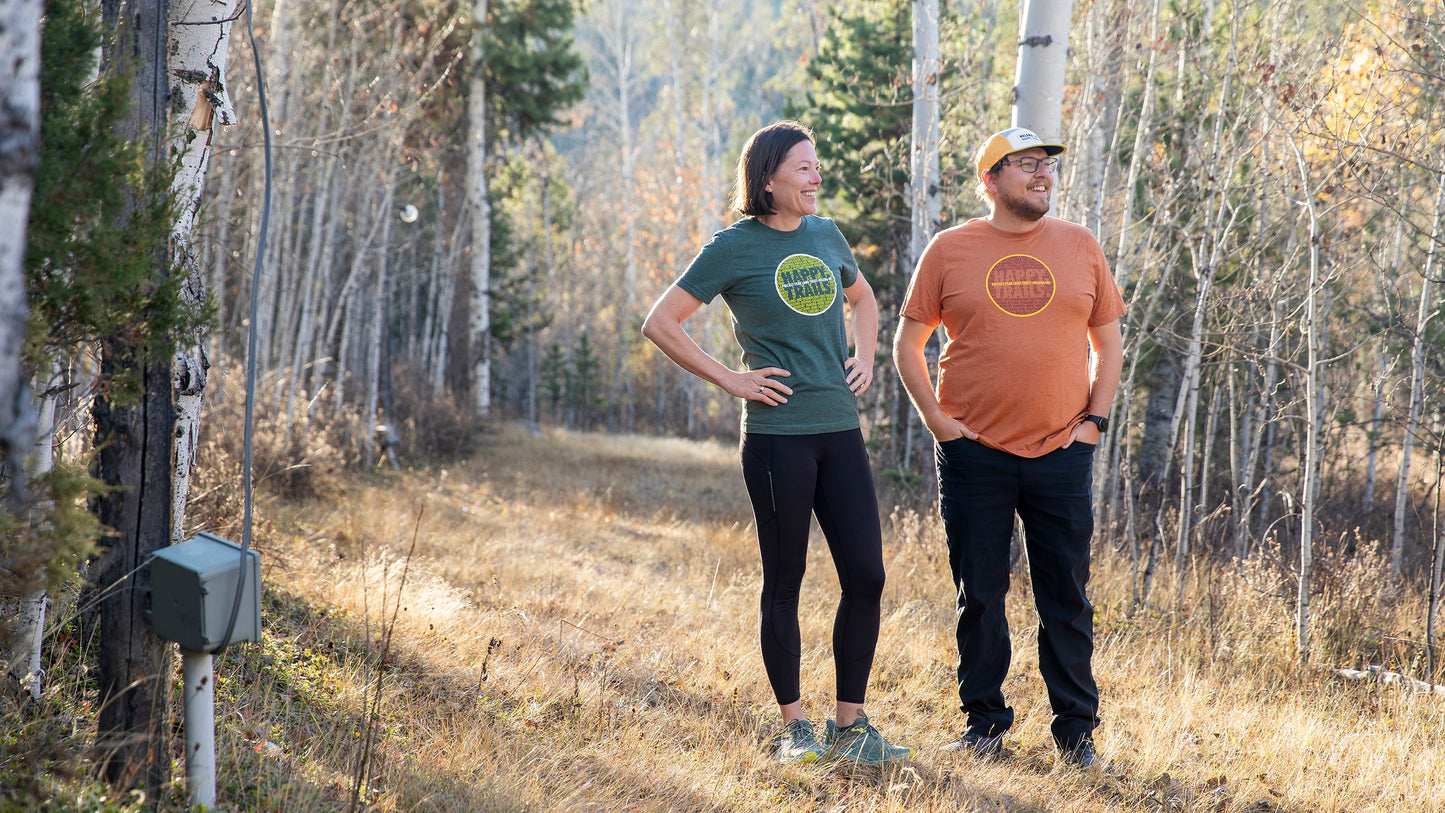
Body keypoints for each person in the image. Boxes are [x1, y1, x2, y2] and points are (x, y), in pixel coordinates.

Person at [642, 120, 912, 766]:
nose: (816, 176)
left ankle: (850, 726)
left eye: (815, 166)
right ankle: (794, 727)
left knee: (866, 576)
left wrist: (865, 355)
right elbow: (661, 321)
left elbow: (865, 299)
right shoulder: (734, 247)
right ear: (767, 181)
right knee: (784, 579)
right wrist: (731, 378)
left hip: (838, 428)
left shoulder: (824, 234)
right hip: (776, 439)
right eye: (802, 168)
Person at [892, 127, 1125, 768]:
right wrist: (942, 425)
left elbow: (1108, 344)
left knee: (1067, 597)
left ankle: (1076, 733)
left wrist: (1093, 424)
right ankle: (985, 727)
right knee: (981, 597)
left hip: (1061, 450)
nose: (1042, 174)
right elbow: (906, 348)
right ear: (990, 181)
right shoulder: (949, 250)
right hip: (976, 453)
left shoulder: (1080, 247)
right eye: (1024, 165)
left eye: (1046, 164)